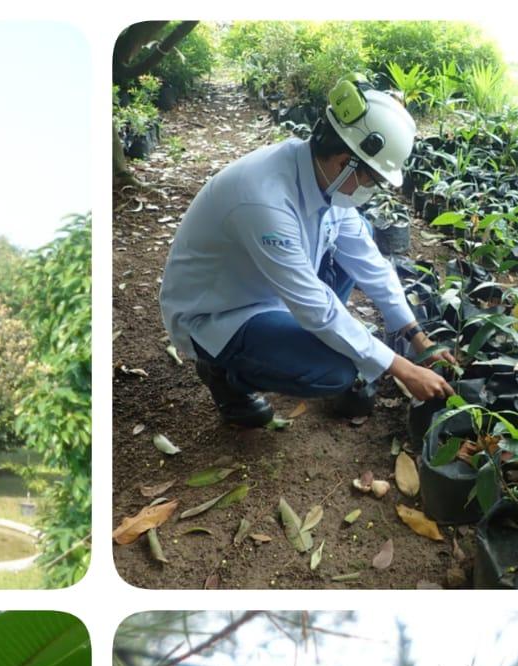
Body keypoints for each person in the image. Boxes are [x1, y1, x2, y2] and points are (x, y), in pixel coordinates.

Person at [159, 78, 456, 428]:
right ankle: (225, 375)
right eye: (371, 180)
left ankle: (301, 346)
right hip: (222, 312)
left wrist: (415, 336)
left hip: (271, 287)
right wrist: (402, 368)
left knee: (358, 249)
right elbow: (315, 306)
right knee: (337, 371)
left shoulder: (323, 177)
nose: (370, 190)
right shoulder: (262, 199)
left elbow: (369, 263)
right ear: (346, 161)